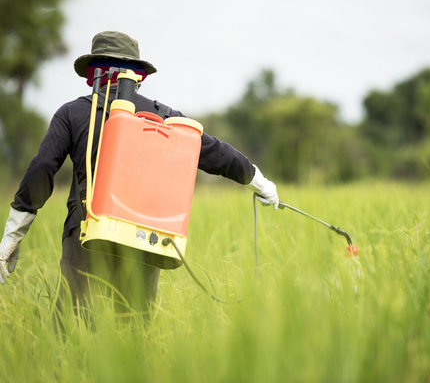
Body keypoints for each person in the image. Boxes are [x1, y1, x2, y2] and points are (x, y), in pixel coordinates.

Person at [0, 31, 278, 319]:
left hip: (87, 230)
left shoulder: (73, 113)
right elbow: (214, 153)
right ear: (138, 74)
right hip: (146, 238)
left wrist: (13, 234)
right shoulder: (166, 117)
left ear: (94, 70)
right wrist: (259, 181)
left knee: (72, 330)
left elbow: (42, 169)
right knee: (132, 336)